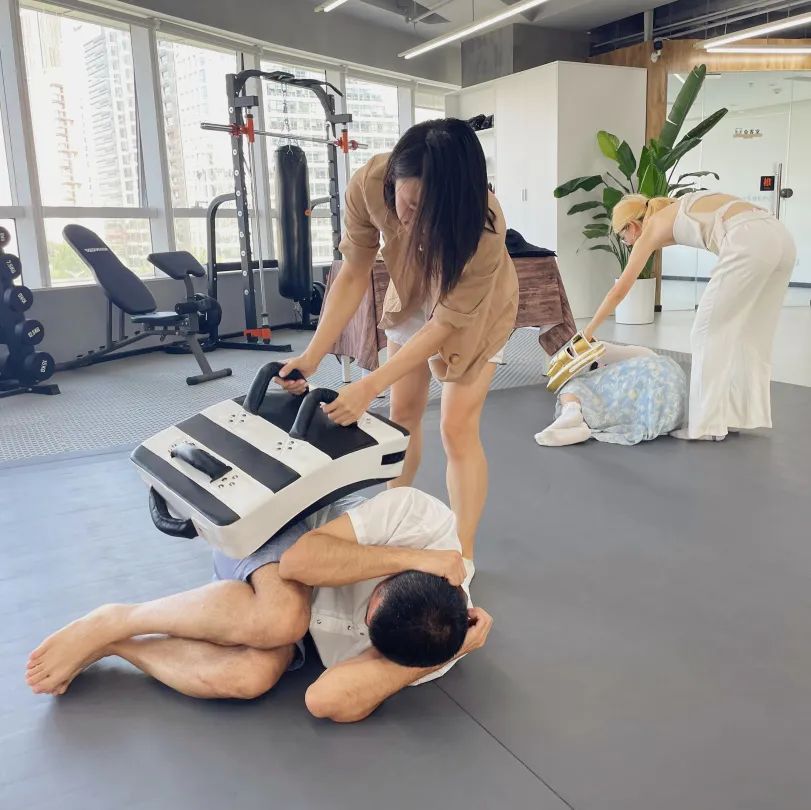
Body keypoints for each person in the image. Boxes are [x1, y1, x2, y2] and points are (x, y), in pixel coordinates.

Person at [26, 488, 492, 723]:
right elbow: (300, 561)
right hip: (284, 536)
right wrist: (414, 558)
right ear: (399, 579)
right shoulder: (424, 522)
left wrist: (446, 657)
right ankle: (118, 618)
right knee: (282, 618)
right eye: (372, 599)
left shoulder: (431, 646)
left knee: (250, 678)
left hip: (301, 616)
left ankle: (117, 643)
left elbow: (323, 699)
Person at [275, 120, 519, 565]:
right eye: (413, 204)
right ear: (394, 178)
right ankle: (395, 523)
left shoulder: (486, 226)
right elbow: (353, 273)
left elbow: (445, 324)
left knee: (456, 428)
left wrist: (368, 387)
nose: (418, 220)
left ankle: (461, 554)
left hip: (473, 310)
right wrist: (312, 355)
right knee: (402, 416)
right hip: (411, 291)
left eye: (433, 213)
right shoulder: (368, 183)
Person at [582, 192, 796, 440]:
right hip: (780, 236)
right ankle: (737, 415)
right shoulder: (676, 208)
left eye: (623, 236)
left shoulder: (651, 227)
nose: (627, 243)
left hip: (749, 239)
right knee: (751, 332)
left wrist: (587, 332)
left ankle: (706, 426)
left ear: (632, 226)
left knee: (706, 332)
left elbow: (619, 291)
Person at [535, 343, 687, 447]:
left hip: (654, 381)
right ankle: (580, 423)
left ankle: (573, 412)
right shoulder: (643, 358)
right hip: (672, 406)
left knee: (571, 387)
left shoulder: (594, 368)